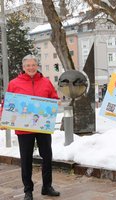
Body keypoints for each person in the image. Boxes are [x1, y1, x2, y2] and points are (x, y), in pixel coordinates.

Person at [4, 55, 61, 200]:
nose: (31, 68)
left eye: (33, 65)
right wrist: (3, 120)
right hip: (24, 129)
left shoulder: (46, 82)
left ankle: (47, 187)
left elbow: (54, 98)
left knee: (47, 156)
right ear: (23, 67)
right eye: (28, 65)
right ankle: (28, 191)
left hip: (43, 127)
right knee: (26, 159)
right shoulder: (14, 83)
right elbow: (7, 103)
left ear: (37, 66)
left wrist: (56, 104)